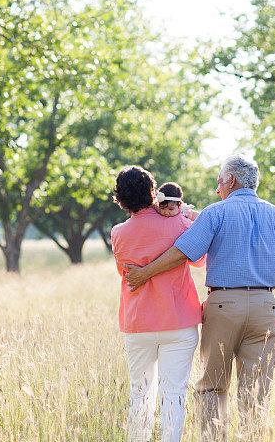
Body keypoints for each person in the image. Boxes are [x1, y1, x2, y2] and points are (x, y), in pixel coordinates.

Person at [124, 154, 275, 440]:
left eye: (219, 182)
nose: (217, 190)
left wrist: (145, 273)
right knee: (256, 392)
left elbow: (182, 252)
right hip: (266, 307)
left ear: (231, 180)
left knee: (212, 388)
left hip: (223, 307)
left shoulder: (216, 212)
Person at [110, 166, 206, 442]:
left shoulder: (118, 233)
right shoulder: (179, 222)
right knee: (174, 391)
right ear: (153, 192)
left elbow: (124, 273)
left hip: (138, 322)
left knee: (140, 392)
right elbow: (200, 261)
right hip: (179, 321)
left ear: (121, 198)